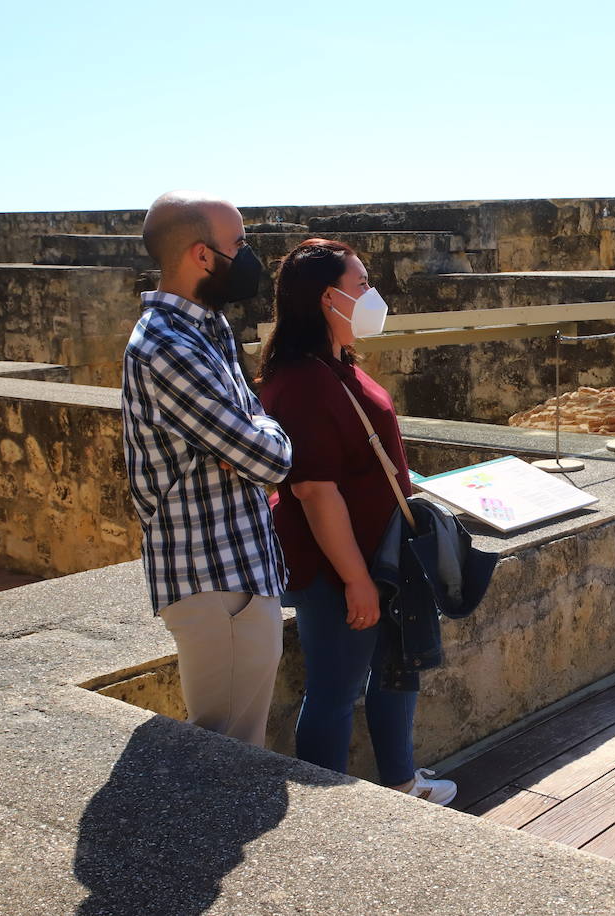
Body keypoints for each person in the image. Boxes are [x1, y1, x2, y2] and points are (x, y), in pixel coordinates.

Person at [257, 239, 456, 805]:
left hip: (384, 553)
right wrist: (355, 579)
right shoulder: (301, 382)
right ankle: (332, 814)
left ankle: (401, 781)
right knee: (336, 689)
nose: (372, 296)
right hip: (340, 563)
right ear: (328, 297)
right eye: (362, 285)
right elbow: (316, 492)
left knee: (397, 669)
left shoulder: (335, 364)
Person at [121, 190, 292, 747]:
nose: (247, 258)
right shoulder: (167, 344)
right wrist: (258, 438)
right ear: (201, 255)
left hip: (237, 568)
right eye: (238, 244)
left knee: (236, 744)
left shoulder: (206, 329)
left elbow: (255, 427)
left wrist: (251, 433)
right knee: (226, 747)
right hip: (215, 576)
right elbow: (271, 457)